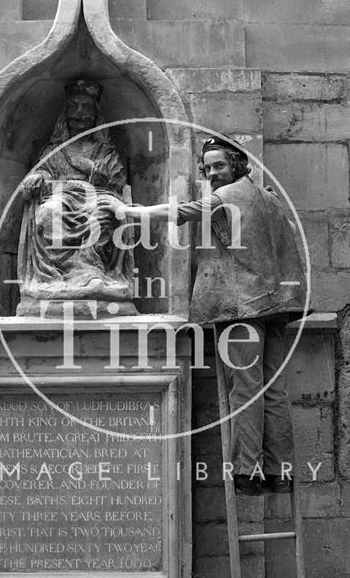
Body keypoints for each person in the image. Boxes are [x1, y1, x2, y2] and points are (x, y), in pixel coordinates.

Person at [104, 135, 308, 495]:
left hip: (242, 310)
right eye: (209, 167)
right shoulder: (270, 199)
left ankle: (248, 471)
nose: (213, 173)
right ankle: (281, 471)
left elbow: (178, 213)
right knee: (273, 389)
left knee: (245, 390)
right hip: (273, 307)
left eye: (220, 166)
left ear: (237, 165)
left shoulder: (227, 197)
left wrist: (128, 211)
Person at [17, 79, 134, 308]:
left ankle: (91, 271)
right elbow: (41, 172)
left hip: (98, 197)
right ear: (66, 115)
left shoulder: (105, 151)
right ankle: (58, 277)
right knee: (49, 212)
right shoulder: (54, 151)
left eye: (87, 108)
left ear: (96, 116)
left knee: (103, 217)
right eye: (74, 107)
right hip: (60, 196)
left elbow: (118, 182)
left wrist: (91, 168)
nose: (80, 113)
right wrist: (35, 178)